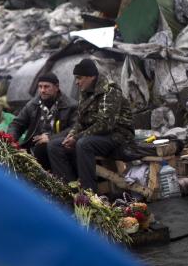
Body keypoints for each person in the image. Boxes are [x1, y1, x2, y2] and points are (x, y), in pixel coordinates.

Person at [48, 58, 136, 192]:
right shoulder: (85, 92)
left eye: (79, 78)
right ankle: (69, 191)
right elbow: (80, 121)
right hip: (96, 137)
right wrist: (71, 134)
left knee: (83, 144)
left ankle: (89, 195)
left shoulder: (109, 91)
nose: (76, 82)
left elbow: (105, 124)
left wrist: (76, 138)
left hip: (119, 136)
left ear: (91, 76)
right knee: (54, 145)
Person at [7, 72, 76, 170]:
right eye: (40, 87)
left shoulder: (70, 106)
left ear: (57, 87)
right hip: (33, 148)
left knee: (44, 148)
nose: (42, 90)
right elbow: (17, 124)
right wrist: (11, 140)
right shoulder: (33, 105)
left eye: (47, 87)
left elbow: (75, 128)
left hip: (58, 148)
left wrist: (51, 138)